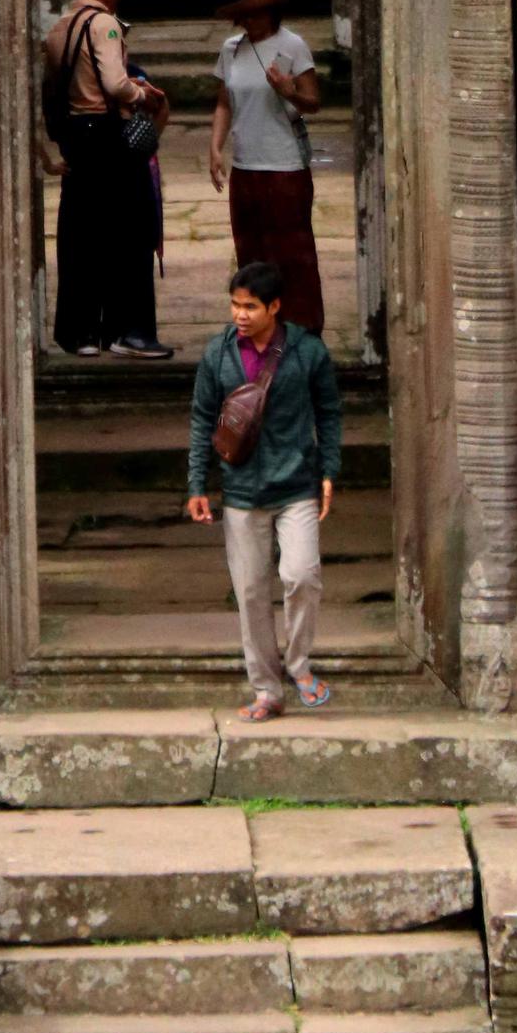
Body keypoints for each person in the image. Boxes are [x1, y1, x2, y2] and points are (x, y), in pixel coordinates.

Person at [186, 259, 344, 721]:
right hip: (240, 492)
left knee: (301, 576)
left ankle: (297, 663)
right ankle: (266, 691)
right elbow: (201, 420)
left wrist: (329, 469)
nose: (240, 314)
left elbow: (329, 413)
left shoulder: (308, 353)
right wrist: (197, 482)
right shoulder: (218, 355)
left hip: (297, 486)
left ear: (275, 307)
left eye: (250, 306)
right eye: (235, 305)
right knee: (251, 593)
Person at [40, 0, 173, 359]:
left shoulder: (59, 27)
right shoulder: (104, 24)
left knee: (82, 234)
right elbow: (115, 85)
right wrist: (141, 94)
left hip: (77, 135)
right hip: (108, 131)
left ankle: (80, 332)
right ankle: (130, 330)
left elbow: (49, 91)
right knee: (132, 232)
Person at [208, 0, 325, 337]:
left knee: (293, 253)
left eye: (257, 12)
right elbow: (224, 103)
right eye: (245, 13)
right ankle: (260, 327)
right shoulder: (231, 50)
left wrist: (289, 90)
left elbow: (313, 101)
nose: (250, 20)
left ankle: (303, 328)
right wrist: (215, 147)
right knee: (251, 251)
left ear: (271, 12)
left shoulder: (292, 45)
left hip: (284, 165)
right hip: (247, 165)